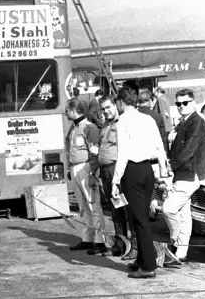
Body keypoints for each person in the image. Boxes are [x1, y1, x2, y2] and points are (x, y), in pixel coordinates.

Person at [111, 86, 169, 279]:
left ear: (120, 102)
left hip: (132, 170)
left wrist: (115, 180)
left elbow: (122, 155)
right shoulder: (148, 118)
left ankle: (148, 266)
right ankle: (142, 259)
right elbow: (160, 146)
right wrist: (162, 170)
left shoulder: (122, 122)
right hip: (147, 170)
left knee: (140, 220)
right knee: (141, 217)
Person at [161, 88, 205, 266]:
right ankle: (181, 253)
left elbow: (188, 150)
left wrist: (170, 168)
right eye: (178, 104)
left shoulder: (196, 121)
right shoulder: (185, 122)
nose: (181, 106)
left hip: (189, 173)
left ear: (193, 103)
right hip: (184, 172)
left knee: (168, 209)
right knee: (183, 214)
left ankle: (176, 243)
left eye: (185, 103)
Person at [64, 98, 106, 254]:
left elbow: (94, 153)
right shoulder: (74, 128)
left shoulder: (89, 128)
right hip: (75, 168)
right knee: (82, 206)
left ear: (74, 110)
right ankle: (87, 238)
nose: (65, 113)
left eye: (67, 110)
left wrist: (92, 172)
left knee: (93, 204)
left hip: (86, 167)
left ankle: (100, 241)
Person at [97, 95, 131, 256]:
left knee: (125, 208)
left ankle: (132, 246)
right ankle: (120, 244)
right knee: (115, 209)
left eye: (108, 107)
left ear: (116, 105)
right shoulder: (105, 124)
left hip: (116, 170)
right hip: (105, 171)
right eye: (103, 108)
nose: (106, 111)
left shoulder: (122, 123)